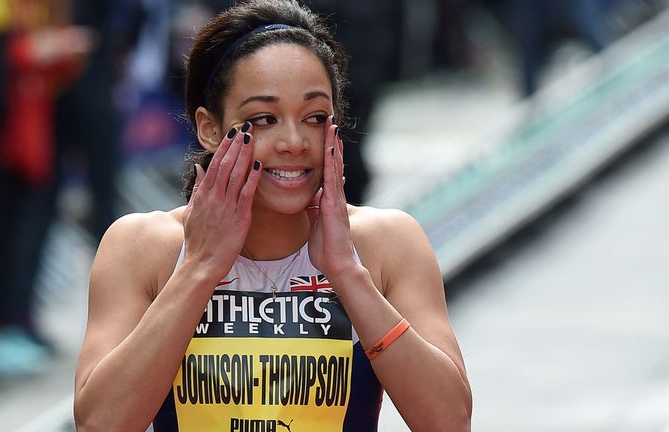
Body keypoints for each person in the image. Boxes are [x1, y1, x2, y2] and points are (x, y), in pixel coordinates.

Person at [73, 0, 472, 431]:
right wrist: (199, 268)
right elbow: (99, 424)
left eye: (315, 117)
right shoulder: (143, 245)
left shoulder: (385, 241)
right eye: (264, 119)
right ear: (208, 128)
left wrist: (347, 273)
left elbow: (449, 421)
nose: (294, 141)